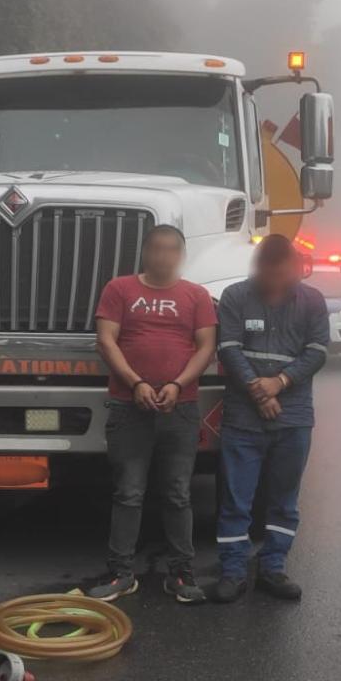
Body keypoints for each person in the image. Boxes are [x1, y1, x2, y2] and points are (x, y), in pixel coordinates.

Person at [87, 224, 218, 605]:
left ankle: (181, 573)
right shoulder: (120, 289)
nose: (162, 255)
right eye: (156, 248)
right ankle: (121, 574)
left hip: (180, 409)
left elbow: (205, 347)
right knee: (129, 493)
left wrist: (177, 385)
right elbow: (105, 340)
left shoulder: (196, 296)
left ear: (180, 255)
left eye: (170, 249)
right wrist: (136, 382)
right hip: (129, 407)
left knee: (178, 493)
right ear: (145, 252)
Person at [212, 234, 330, 602]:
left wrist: (279, 382)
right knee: (236, 498)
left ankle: (273, 567)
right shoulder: (234, 297)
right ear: (259, 268)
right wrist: (257, 390)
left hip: (293, 419)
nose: (276, 281)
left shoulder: (312, 300)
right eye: (270, 273)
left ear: (294, 269)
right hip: (241, 420)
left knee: (284, 500)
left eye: (284, 273)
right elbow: (228, 348)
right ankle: (232, 571)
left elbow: (317, 352)